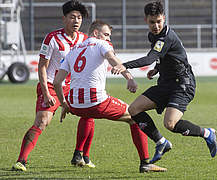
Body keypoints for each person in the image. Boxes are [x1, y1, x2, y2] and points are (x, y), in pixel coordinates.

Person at [53, 19, 167, 173]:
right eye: (106, 35)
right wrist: (130, 79)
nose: (109, 39)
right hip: (96, 102)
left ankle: (78, 154)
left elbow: (57, 82)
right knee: (135, 115)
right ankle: (145, 162)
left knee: (86, 116)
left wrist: (64, 104)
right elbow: (114, 60)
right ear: (95, 33)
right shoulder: (101, 44)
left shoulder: (73, 50)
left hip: (75, 105)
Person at [112, 1, 217, 164]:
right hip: (165, 83)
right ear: (146, 20)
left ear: (164, 18)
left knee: (170, 124)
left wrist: (124, 65)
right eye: (152, 22)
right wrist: (157, 68)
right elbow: (164, 55)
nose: (155, 25)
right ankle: (161, 143)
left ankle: (207, 133)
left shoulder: (166, 36)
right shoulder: (153, 36)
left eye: (159, 21)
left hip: (182, 84)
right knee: (134, 109)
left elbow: (150, 57)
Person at [12, 0, 89, 171]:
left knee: (90, 113)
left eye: (79, 18)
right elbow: (42, 66)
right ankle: (21, 161)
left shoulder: (84, 39)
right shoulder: (52, 38)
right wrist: (46, 93)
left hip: (73, 86)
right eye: (72, 17)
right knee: (42, 121)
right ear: (64, 19)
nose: (76, 21)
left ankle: (81, 155)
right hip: (51, 86)